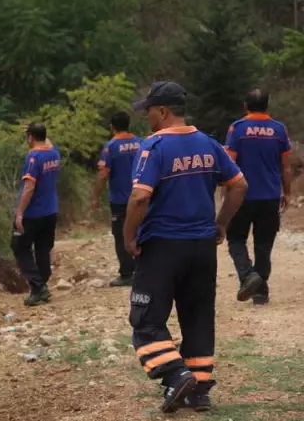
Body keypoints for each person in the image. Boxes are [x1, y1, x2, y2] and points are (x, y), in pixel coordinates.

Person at [125, 81, 248, 413]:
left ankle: (176, 374)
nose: (146, 117)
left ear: (163, 111)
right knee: (197, 316)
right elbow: (238, 185)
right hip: (202, 247)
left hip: (163, 246)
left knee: (146, 320)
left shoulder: (154, 147)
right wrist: (220, 223)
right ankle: (199, 389)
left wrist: (128, 236)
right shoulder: (208, 144)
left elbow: (139, 197)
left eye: (149, 110)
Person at [224, 89, 292, 305]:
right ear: (267, 105)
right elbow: (286, 167)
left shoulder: (237, 128)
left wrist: (226, 191)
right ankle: (261, 290)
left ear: (246, 106)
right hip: (270, 195)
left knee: (235, 238)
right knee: (264, 243)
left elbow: (229, 162)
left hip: (242, 194)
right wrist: (287, 192)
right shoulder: (279, 130)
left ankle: (247, 276)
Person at [92, 111, 143, 287]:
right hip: (142, 197)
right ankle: (143, 269)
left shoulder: (110, 146)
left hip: (120, 201)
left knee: (121, 236)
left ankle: (127, 273)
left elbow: (103, 174)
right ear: (129, 125)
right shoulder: (141, 143)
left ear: (111, 127)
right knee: (141, 231)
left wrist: (95, 197)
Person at [12, 122, 61, 306]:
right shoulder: (54, 153)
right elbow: (47, 141)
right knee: (42, 248)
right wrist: (37, 131)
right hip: (51, 211)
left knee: (19, 246)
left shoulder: (33, 157)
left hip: (33, 212)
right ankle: (41, 287)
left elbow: (29, 187)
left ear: (30, 138)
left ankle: (38, 287)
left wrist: (19, 213)